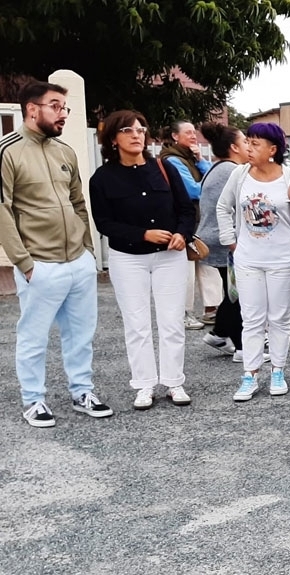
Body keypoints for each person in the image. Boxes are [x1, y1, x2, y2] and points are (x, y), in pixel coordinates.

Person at [0, 80, 113, 426]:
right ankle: (33, 400)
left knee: (81, 334)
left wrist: (89, 251)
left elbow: (78, 202)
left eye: (65, 107)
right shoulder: (8, 150)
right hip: (39, 264)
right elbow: (2, 209)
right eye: (55, 106)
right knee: (33, 336)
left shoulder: (65, 152)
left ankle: (82, 391)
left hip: (77, 261)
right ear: (32, 109)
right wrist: (24, 263)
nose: (63, 113)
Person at [90, 110, 196, 410]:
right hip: (128, 258)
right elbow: (104, 223)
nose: (136, 135)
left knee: (172, 321)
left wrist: (182, 235)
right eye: (127, 130)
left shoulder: (163, 168)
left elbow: (186, 210)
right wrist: (143, 234)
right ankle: (144, 384)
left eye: (140, 129)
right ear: (113, 138)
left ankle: (174, 381)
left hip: (169, 258)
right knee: (136, 324)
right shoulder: (102, 178)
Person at [217, 123, 290, 402]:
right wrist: (230, 240)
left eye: (256, 143)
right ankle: (250, 373)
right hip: (247, 258)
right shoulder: (240, 174)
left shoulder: (289, 178)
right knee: (251, 318)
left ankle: (278, 371)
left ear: (273, 149)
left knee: (279, 318)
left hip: (283, 258)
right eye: (248, 142)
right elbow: (223, 206)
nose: (250, 148)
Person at [197, 122, 249, 362]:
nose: (248, 146)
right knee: (238, 293)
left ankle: (219, 333)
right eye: (244, 142)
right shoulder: (232, 170)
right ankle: (240, 347)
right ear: (233, 147)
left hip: (212, 236)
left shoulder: (216, 167)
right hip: (224, 240)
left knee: (232, 293)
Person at [159, 119, 218, 330]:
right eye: (188, 132)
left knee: (205, 259)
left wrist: (201, 159)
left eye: (195, 132)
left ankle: (212, 309)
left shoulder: (190, 158)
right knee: (187, 266)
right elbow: (194, 190)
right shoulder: (173, 160)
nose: (194, 136)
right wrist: (209, 182)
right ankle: (183, 313)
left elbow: (211, 175)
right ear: (175, 136)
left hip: (198, 218)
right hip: (182, 220)